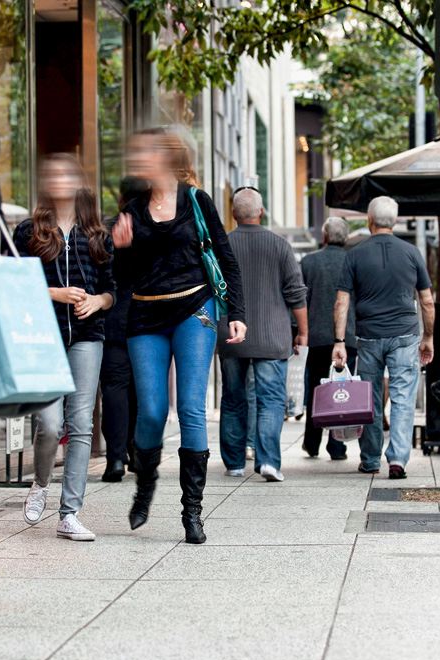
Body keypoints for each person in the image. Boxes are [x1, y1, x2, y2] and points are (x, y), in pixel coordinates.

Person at [113, 129, 246, 545]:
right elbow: (123, 279)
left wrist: (236, 314)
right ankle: (145, 486)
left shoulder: (197, 201)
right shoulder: (132, 210)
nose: (141, 159)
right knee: (152, 412)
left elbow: (226, 258)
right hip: (145, 315)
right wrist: (121, 248)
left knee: (190, 408)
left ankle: (192, 512)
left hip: (195, 310)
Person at [14, 154, 115, 541]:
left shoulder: (97, 234)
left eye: (66, 174)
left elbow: (112, 290)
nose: (59, 180)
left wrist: (97, 301)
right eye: (52, 175)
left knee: (81, 424)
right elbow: (14, 283)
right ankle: (41, 482)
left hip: (87, 337)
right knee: (51, 424)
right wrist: (54, 293)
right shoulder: (29, 232)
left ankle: (69, 513)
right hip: (44, 337)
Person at [333, 196, 435, 478]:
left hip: (368, 337)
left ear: (369, 220)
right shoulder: (412, 253)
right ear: (396, 220)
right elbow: (427, 301)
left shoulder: (354, 254)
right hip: (405, 335)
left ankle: (370, 459)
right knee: (402, 398)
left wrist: (339, 342)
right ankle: (398, 460)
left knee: (370, 398)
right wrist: (428, 337)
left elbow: (341, 302)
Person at [217, 187, 307, 481]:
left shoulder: (222, 245)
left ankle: (233, 463)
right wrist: (302, 332)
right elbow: (296, 294)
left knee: (232, 398)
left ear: (233, 214)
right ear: (262, 212)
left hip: (231, 335)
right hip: (272, 336)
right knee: (270, 400)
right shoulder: (280, 245)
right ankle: (268, 461)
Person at [99, 175, 144, 481]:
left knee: (114, 390)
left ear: (120, 199)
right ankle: (137, 453)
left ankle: (115, 459)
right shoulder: (155, 230)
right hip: (146, 322)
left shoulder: (103, 230)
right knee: (142, 390)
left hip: (112, 320)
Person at [301, 217, 357, 460]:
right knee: (341, 390)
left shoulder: (308, 262)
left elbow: (300, 300)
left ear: (324, 236)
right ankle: (337, 446)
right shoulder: (353, 261)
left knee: (316, 389)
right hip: (348, 337)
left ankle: (311, 443)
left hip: (316, 337)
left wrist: (298, 332)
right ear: (346, 239)